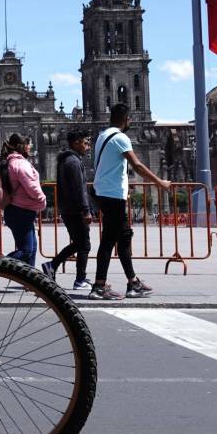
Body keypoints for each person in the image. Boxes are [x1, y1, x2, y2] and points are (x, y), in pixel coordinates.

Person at [90, 103, 171, 300]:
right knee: (111, 240)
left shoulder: (102, 136)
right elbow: (137, 164)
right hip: (113, 195)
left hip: (105, 193)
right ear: (126, 119)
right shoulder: (120, 138)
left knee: (122, 237)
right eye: (129, 119)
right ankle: (100, 286)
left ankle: (132, 283)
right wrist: (159, 182)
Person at [40, 130, 93, 290]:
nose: (88, 147)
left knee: (79, 243)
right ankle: (80, 280)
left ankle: (52, 265)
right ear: (76, 143)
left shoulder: (65, 160)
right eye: (85, 143)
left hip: (67, 208)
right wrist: (86, 209)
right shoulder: (74, 162)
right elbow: (79, 188)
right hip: (75, 209)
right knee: (84, 245)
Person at [0, 134, 46, 270]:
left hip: (18, 210)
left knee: (32, 247)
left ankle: (30, 281)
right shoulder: (20, 163)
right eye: (28, 143)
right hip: (21, 211)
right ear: (22, 146)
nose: (30, 146)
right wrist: (42, 201)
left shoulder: (9, 161)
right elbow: (32, 187)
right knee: (26, 251)